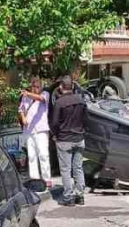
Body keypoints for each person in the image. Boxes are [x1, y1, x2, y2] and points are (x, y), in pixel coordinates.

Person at [51, 75, 87, 206]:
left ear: (61, 87)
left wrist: (55, 134)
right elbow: (86, 119)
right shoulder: (81, 100)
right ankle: (80, 195)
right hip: (79, 138)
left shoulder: (59, 102)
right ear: (72, 86)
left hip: (64, 139)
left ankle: (68, 197)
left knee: (66, 169)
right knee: (78, 167)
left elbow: (54, 122)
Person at [18, 76, 51, 186]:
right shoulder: (25, 97)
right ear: (31, 86)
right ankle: (34, 178)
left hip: (41, 129)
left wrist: (29, 94)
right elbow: (21, 109)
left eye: (38, 87)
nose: (36, 88)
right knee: (31, 155)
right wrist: (23, 118)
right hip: (29, 130)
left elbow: (41, 99)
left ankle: (46, 179)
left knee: (43, 154)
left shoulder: (45, 94)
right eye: (34, 86)